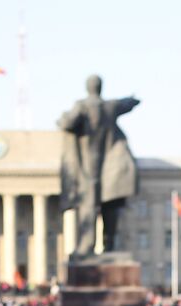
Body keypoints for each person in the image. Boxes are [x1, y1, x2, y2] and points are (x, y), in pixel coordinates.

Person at [57, 75, 139, 255]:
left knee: (90, 203)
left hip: (89, 164)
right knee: (109, 203)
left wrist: (62, 118)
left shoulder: (83, 106)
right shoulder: (110, 106)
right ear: (100, 88)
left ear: (88, 88)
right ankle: (109, 246)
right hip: (111, 163)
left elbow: (67, 123)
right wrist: (133, 99)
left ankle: (87, 245)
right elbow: (128, 103)